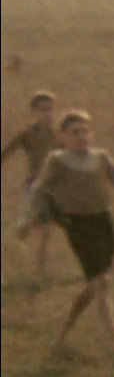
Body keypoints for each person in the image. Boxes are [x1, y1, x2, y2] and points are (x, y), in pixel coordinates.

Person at [17, 111, 114, 354]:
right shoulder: (57, 161)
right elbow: (39, 191)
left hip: (104, 222)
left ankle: (63, 333)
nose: (82, 137)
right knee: (101, 283)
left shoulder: (101, 157)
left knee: (97, 283)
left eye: (85, 131)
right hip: (77, 225)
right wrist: (28, 220)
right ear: (63, 136)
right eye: (75, 133)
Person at [3, 90, 61, 275]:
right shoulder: (27, 134)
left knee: (46, 229)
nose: (48, 114)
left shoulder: (60, 134)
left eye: (50, 109)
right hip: (35, 184)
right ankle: (13, 252)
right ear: (34, 112)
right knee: (25, 227)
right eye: (43, 109)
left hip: (55, 186)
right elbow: (6, 153)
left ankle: (40, 269)